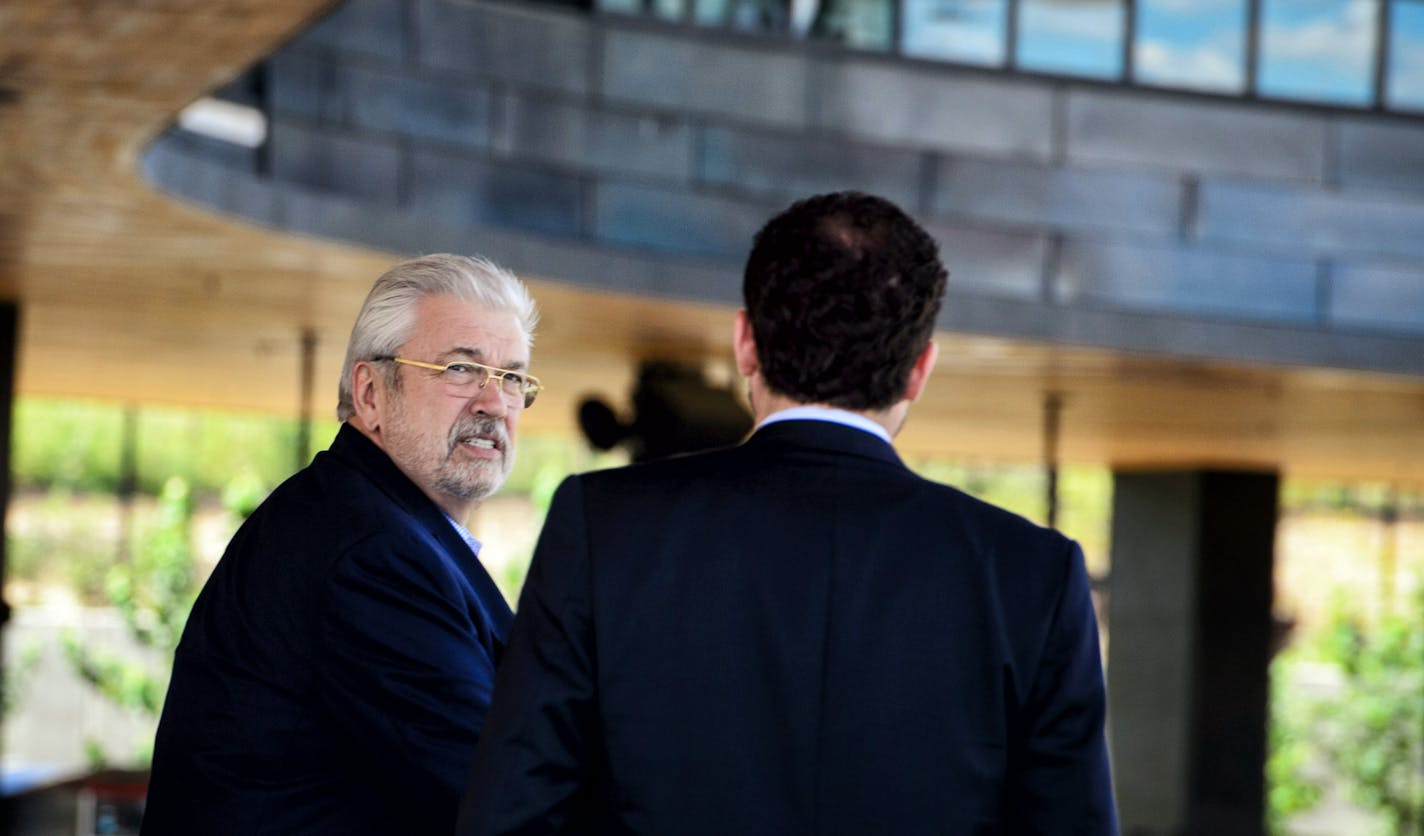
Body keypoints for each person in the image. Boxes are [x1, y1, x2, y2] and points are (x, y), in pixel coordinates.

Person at [458, 192, 1117, 835]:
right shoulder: (1033, 576)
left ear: (746, 343)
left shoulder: (603, 529)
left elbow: (512, 813)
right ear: (919, 370)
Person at [142, 253, 541, 835]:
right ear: (371, 393)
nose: (493, 402)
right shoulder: (370, 553)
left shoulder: (369, 522)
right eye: (461, 369)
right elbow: (500, 799)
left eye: (512, 377)